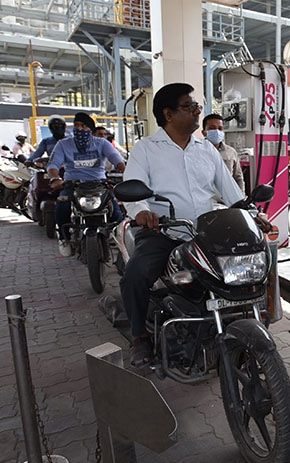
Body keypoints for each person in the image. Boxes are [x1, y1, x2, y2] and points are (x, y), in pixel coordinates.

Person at [120, 83, 245, 366]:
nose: (197, 112)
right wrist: (142, 212)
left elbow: (230, 190)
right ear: (168, 113)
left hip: (205, 232)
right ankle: (139, 337)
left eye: (197, 107)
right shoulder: (146, 149)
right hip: (163, 232)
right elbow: (132, 187)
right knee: (135, 275)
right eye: (189, 107)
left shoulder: (206, 149)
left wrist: (250, 213)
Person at [47, 112, 126, 257]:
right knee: (61, 205)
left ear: (90, 129)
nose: (79, 129)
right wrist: (55, 178)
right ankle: (64, 238)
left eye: (83, 126)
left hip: (99, 185)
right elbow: (54, 164)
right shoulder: (63, 144)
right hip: (72, 185)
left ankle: (121, 238)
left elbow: (116, 159)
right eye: (76, 125)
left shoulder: (102, 143)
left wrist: (128, 174)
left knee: (115, 211)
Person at [202, 113, 245, 191]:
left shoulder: (231, 152)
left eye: (220, 128)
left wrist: (241, 197)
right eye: (212, 128)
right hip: (205, 199)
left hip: (227, 199)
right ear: (204, 132)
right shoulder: (197, 151)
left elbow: (238, 178)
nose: (217, 131)